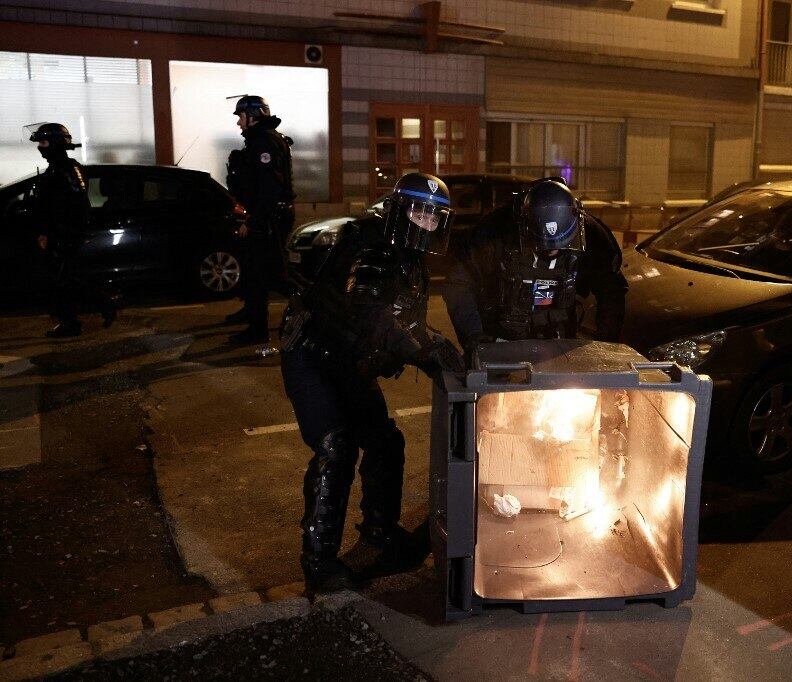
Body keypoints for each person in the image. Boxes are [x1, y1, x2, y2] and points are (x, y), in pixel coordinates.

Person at [279, 172, 465, 591]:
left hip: (351, 361)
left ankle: (380, 532)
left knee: (384, 440)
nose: (425, 222)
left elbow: (404, 319)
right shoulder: (373, 247)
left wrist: (439, 347)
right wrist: (424, 353)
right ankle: (319, 559)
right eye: (418, 211)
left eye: (434, 215)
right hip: (313, 355)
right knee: (335, 446)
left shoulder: (408, 258)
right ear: (400, 210)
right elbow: (373, 315)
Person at [443, 177, 628, 356]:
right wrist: (474, 338)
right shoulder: (495, 232)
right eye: (544, 247)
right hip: (500, 341)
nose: (552, 252)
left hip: (562, 341)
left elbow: (612, 290)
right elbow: (458, 283)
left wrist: (606, 345)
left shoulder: (591, 233)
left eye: (560, 245)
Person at [28, 123, 118, 338]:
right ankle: (71, 322)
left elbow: (76, 203)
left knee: (64, 280)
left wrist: (63, 231)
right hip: (59, 233)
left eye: (44, 142)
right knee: (63, 281)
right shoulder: (55, 167)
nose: (40, 147)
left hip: (66, 234)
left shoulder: (68, 168)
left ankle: (102, 304)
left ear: (56, 143)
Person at [225, 95, 296, 344]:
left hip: (269, 217)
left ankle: (261, 329)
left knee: (268, 274)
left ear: (253, 117)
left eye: (241, 117)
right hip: (268, 215)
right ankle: (254, 317)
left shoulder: (264, 143)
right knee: (260, 272)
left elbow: (268, 189)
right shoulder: (260, 140)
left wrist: (253, 221)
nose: (238, 123)